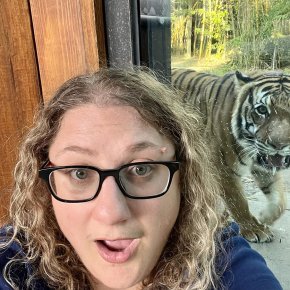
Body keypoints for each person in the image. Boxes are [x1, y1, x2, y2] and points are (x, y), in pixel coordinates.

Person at [0, 67, 282, 290]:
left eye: (142, 168)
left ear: (185, 177)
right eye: (79, 173)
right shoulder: (13, 261)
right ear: (43, 183)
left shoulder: (222, 258)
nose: (112, 213)